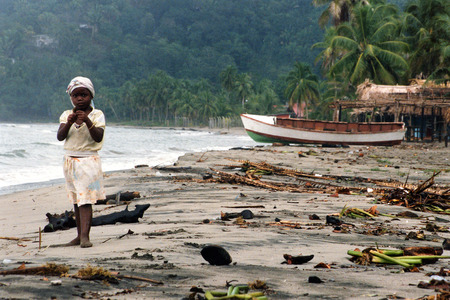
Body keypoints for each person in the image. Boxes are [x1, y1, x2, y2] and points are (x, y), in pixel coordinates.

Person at [57, 76, 106, 248]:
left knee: (86, 200)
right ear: (71, 97)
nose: (79, 98)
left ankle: (85, 236)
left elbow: (98, 137)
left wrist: (86, 119)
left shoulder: (97, 115)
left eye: (83, 95)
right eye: (75, 95)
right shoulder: (65, 115)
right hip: (70, 161)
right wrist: (69, 123)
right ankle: (79, 236)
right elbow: (60, 136)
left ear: (91, 96)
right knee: (77, 200)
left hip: (88, 161)